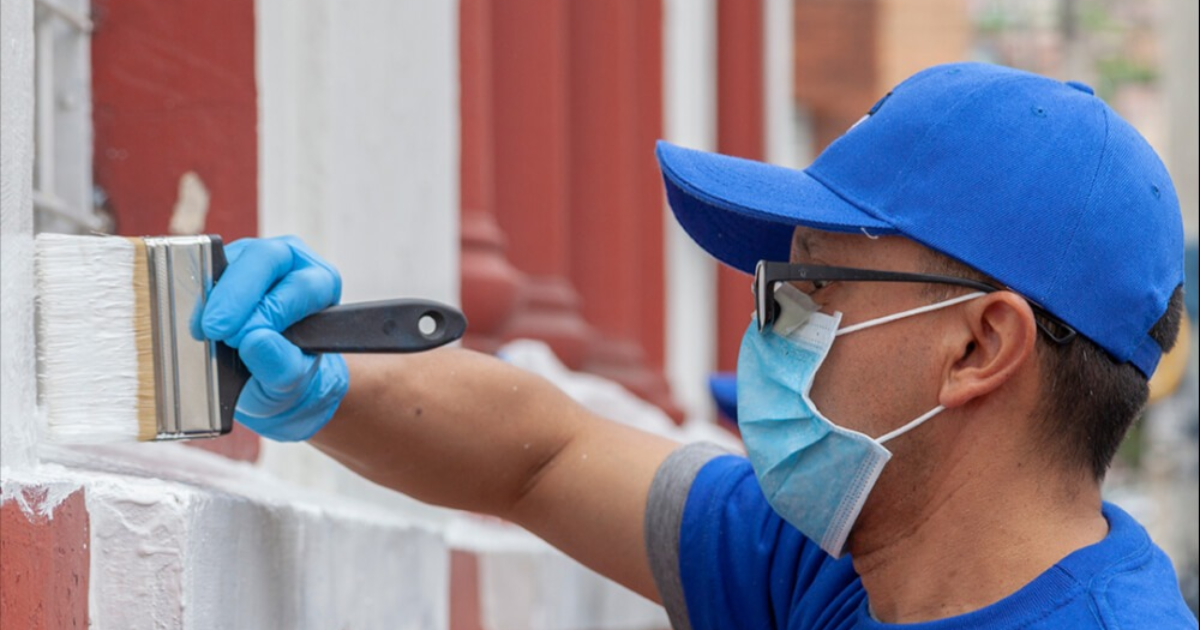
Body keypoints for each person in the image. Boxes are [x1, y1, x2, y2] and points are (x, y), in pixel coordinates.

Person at [200, 62, 1197, 628]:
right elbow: (544, 457)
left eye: (812, 283)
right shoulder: (835, 566)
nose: (769, 324)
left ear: (980, 346)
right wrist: (319, 378)